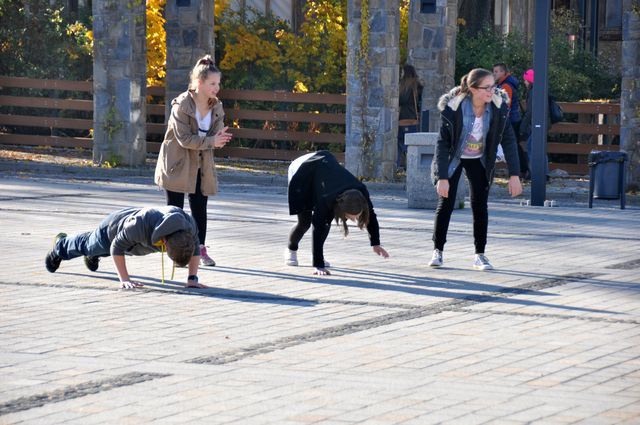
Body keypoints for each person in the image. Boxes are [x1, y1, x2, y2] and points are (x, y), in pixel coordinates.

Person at [429, 68, 523, 270]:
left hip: (479, 159)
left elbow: (509, 141)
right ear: (472, 89)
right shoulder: (454, 109)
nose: (492, 90)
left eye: (493, 86)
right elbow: (442, 143)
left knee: (479, 205)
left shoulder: (498, 108)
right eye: (486, 87)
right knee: (445, 203)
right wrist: (442, 176)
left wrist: (514, 175)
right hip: (454, 157)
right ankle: (438, 251)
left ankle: (480, 255)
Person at [154, 55, 233, 267]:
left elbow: (213, 138)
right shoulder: (181, 105)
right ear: (199, 83)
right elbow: (184, 139)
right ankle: (175, 252)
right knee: (175, 211)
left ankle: (200, 250)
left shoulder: (217, 107)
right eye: (212, 84)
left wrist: (219, 139)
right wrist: (212, 141)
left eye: (218, 83)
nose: (217, 88)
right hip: (177, 163)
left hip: (201, 163)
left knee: (200, 206)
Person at [44, 206, 208, 289]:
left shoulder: (188, 226)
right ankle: (60, 246)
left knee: (101, 251)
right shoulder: (141, 224)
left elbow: (194, 249)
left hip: (132, 244)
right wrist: (125, 279)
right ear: (164, 242)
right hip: (111, 231)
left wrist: (192, 279)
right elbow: (117, 246)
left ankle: (94, 255)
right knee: (88, 245)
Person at [285, 150, 390, 275]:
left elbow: (371, 217)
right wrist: (318, 265)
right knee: (305, 223)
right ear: (341, 209)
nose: (355, 220)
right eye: (351, 217)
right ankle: (291, 249)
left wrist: (375, 243)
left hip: (324, 169)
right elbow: (318, 228)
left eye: (357, 216)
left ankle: (318, 256)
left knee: (325, 223)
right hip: (302, 170)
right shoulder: (327, 199)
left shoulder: (361, 193)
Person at [493, 62, 528, 177]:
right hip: (512, 119)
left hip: (510, 121)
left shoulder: (506, 86)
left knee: (513, 146)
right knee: (514, 146)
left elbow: (504, 105)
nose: (494, 74)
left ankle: (521, 170)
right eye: (494, 71)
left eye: (497, 71)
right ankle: (522, 170)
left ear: (503, 72)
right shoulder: (504, 84)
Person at [519, 68, 549, 179]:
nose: (524, 82)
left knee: (532, 147)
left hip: (538, 123)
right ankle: (542, 173)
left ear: (530, 80)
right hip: (542, 123)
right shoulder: (540, 90)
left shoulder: (533, 92)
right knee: (537, 147)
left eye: (525, 80)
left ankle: (537, 173)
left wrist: (523, 126)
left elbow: (530, 111)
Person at [397, 64, 424, 169]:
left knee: (400, 144)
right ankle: (411, 168)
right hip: (413, 119)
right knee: (411, 145)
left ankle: (398, 166)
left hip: (403, 118)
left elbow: (401, 100)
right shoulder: (418, 86)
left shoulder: (404, 86)